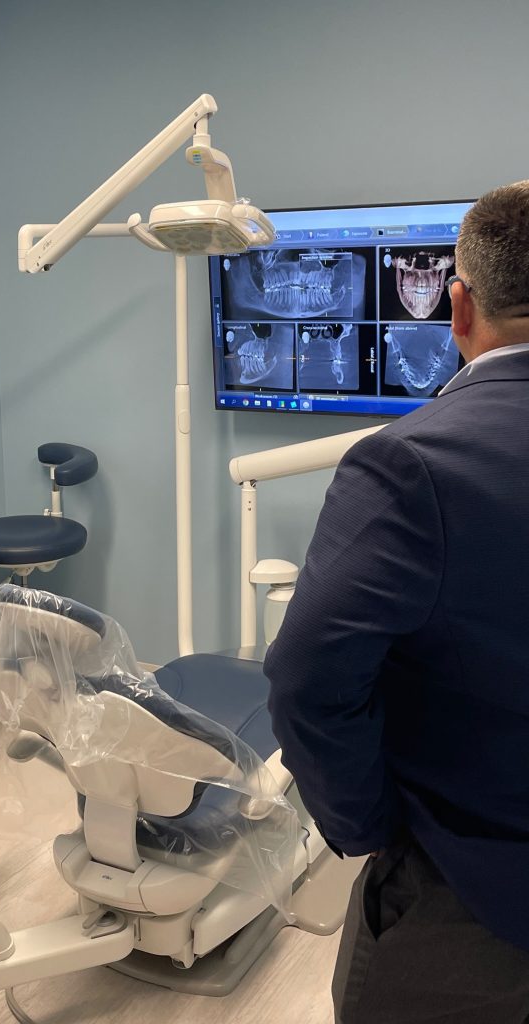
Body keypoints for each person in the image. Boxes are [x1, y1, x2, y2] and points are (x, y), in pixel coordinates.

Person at [264, 181, 529, 1024]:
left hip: (476, 895)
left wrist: (372, 823)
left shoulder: (415, 464)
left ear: (457, 307)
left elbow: (308, 678)